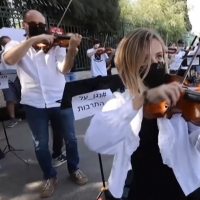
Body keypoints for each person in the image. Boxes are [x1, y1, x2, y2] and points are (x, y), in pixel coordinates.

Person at [84, 28, 200, 200]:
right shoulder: (120, 104)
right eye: (145, 59)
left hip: (183, 191)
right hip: (138, 191)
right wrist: (142, 99)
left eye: (159, 56)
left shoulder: (180, 102)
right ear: (129, 65)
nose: (156, 63)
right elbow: (94, 140)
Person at [1, 10, 88, 198]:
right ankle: (49, 176)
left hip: (60, 99)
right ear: (25, 25)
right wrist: (33, 40)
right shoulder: (16, 45)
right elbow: (9, 60)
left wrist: (71, 51)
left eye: (43, 25)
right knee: (40, 144)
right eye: (36, 25)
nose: (41, 28)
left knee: (71, 138)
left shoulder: (56, 45)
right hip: (33, 102)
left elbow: (63, 69)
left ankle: (74, 168)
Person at [0, 36, 21, 128]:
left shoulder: (18, 51)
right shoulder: (1, 54)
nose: (8, 45)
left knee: (24, 96)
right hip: (4, 78)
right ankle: (12, 119)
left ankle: (30, 115)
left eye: (9, 42)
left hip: (18, 76)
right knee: (9, 99)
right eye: (5, 43)